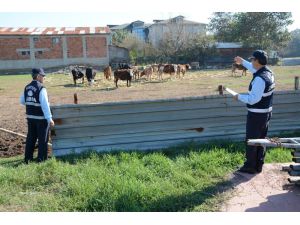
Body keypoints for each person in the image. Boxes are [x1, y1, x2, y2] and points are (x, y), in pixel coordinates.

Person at [233, 50, 275, 174]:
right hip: (266, 113)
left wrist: (238, 96)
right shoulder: (268, 72)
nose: (251, 62)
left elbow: (253, 100)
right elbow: (253, 69)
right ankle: (258, 165)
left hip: (257, 114)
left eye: (252, 60)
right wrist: (243, 62)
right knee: (262, 140)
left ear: (257, 61)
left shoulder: (259, 79)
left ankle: (250, 166)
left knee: (251, 140)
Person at [20, 68, 55, 163]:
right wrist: (49, 118)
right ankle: (41, 159)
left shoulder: (26, 87)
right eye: (43, 76)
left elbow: (22, 101)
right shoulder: (41, 88)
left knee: (31, 138)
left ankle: (28, 159)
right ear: (38, 76)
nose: (44, 78)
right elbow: (45, 105)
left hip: (30, 117)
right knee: (42, 139)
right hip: (41, 119)